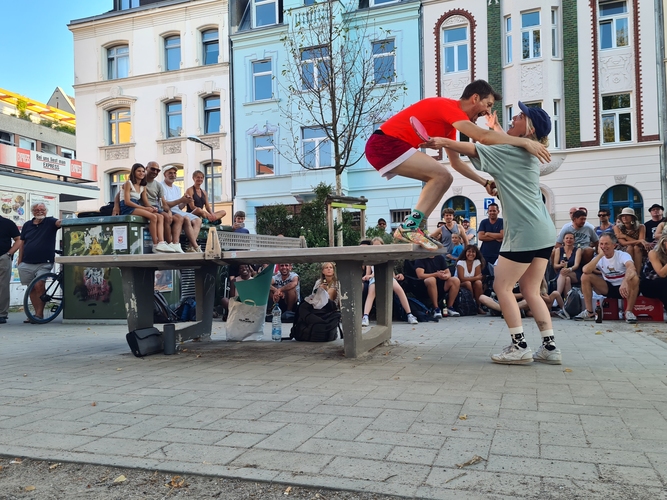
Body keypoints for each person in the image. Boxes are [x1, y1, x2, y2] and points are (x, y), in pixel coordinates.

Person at [425, 102, 560, 365]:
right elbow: (502, 140)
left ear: (529, 130)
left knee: (502, 286)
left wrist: (442, 140)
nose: (515, 116)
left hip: (524, 231)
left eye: (521, 116)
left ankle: (519, 346)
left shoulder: (511, 152)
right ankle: (550, 347)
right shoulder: (528, 153)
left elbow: (475, 146)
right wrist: (495, 127)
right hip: (543, 231)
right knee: (531, 289)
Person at [364, 79, 550, 250]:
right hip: (384, 144)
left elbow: (456, 162)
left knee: (444, 176)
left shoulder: (449, 123)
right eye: (488, 105)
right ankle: (410, 227)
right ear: (475, 98)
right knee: (441, 176)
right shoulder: (449, 107)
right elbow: (482, 137)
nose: (487, 111)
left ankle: (412, 227)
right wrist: (524, 142)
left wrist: (483, 182)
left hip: (386, 145)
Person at [113, 161, 183, 253]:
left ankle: (161, 243)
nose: (141, 173)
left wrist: (152, 208)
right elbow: (126, 201)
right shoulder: (128, 183)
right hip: (128, 206)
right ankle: (156, 244)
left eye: (142, 171)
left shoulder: (143, 185)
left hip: (137, 205)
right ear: (134, 172)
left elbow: (146, 201)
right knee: (154, 217)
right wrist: (116, 206)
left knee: (160, 216)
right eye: (139, 171)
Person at [575, 233, 639, 324]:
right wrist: (600, 255)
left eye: (606, 244)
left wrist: (625, 281)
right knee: (585, 276)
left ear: (614, 245)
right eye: (601, 244)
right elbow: (585, 270)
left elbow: (632, 268)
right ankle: (589, 312)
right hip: (608, 287)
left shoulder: (622, 255)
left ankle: (628, 312)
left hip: (626, 287)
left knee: (634, 278)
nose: (603, 246)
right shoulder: (599, 258)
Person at [17, 203, 62, 322]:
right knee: (31, 288)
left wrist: (64, 221)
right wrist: (19, 260)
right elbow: (22, 243)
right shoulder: (27, 225)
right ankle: (34, 315)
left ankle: (39, 314)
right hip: (27, 262)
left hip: (44, 261)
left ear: (46, 211)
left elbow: (59, 223)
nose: (39, 211)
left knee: (39, 285)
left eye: (42, 209)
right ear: (33, 212)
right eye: (36, 210)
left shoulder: (50, 221)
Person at [361, 238, 418, 326]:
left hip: (387, 277)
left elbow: (391, 273)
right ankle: (365, 316)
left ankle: (409, 314)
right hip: (375, 278)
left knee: (399, 290)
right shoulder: (370, 259)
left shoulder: (387, 257)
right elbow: (369, 274)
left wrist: (397, 276)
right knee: (371, 293)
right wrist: (367, 276)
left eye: (379, 246)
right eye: (374, 246)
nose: (377, 248)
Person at [161, 165, 203, 253]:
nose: (173, 175)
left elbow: (179, 206)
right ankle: (195, 246)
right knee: (186, 219)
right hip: (167, 211)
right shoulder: (161, 186)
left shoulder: (177, 188)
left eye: (174, 173)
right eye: (170, 173)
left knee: (198, 220)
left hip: (177, 211)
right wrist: (181, 200)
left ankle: (191, 247)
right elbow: (164, 205)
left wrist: (185, 201)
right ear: (165, 174)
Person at [413, 254, 461, 318]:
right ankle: (436, 308)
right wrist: (436, 274)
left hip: (441, 283)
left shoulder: (440, 257)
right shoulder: (420, 258)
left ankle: (450, 307)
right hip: (424, 286)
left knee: (455, 280)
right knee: (431, 280)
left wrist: (445, 276)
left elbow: (448, 272)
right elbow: (420, 275)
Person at [613, 207, 649, 274]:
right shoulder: (617, 227)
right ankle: (630, 272)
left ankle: (637, 274)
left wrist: (625, 236)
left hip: (638, 248)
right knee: (630, 247)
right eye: (623, 216)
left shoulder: (641, 227)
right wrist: (639, 241)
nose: (624, 217)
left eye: (627, 215)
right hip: (623, 249)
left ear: (632, 218)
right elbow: (623, 243)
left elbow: (641, 243)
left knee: (636, 248)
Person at [0, 214, 21, 324]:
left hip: (2, 258)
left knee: (2, 286)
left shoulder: (7, 223)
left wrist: (8, 254)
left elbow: (19, 239)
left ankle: (2, 314)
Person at [639, 234, 667, 311]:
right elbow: (661, 274)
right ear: (664, 242)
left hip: (662, 285)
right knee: (665, 283)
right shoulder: (654, 253)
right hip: (649, 284)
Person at [456, 244, 485, 314]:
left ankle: (478, 306)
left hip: (472, 283)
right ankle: (471, 303)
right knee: (467, 283)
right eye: (469, 251)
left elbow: (478, 279)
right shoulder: (460, 262)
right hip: (460, 284)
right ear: (465, 253)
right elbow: (461, 279)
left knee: (478, 283)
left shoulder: (477, 262)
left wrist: (474, 278)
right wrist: (475, 278)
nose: (471, 254)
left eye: (473, 252)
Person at [552, 232, 582, 298]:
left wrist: (569, 269)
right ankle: (567, 303)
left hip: (574, 272)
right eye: (567, 238)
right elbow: (555, 265)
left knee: (563, 273)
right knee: (567, 279)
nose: (569, 240)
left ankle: (557, 295)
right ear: (563, 240)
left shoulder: (578, 250)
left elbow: (576, 265)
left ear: (574, 240)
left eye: (571, 238)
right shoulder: (558, 250)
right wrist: (561, 265)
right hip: (561, 273)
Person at [477, 203, 503, 275]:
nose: (492, 212)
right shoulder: (484, 222)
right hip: (485, 254)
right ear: (488, 212)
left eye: (494, 211)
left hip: (499, 254)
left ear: (498, 211)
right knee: (484, 275)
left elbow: (502, 235)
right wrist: (496, 237)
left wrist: (488, 234)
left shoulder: (502, 222)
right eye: (490, 211)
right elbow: (480, 237)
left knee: (497, 275)